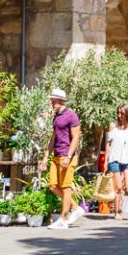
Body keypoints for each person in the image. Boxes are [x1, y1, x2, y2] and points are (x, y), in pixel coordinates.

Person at [45, 88, 82, 229]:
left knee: (66, 188)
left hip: (67, 156)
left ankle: (63, 219)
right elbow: (53, 138)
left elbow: (76, 138)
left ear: (61, 101)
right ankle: (75, 208)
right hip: (56, 156)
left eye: (53, 100)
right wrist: (45, 156)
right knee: (53, 186)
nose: (51, 103)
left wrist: (68, 156)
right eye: (51, 100)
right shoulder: (56, 116)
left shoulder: (71, 115)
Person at [104, 102, 128, 221]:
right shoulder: (113, 126)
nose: (120, 115)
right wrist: (106, 160)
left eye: (123, 113)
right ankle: (117, 211)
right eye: (119, 113)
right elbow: (108, 144)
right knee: (118, 187)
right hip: (114, 159)